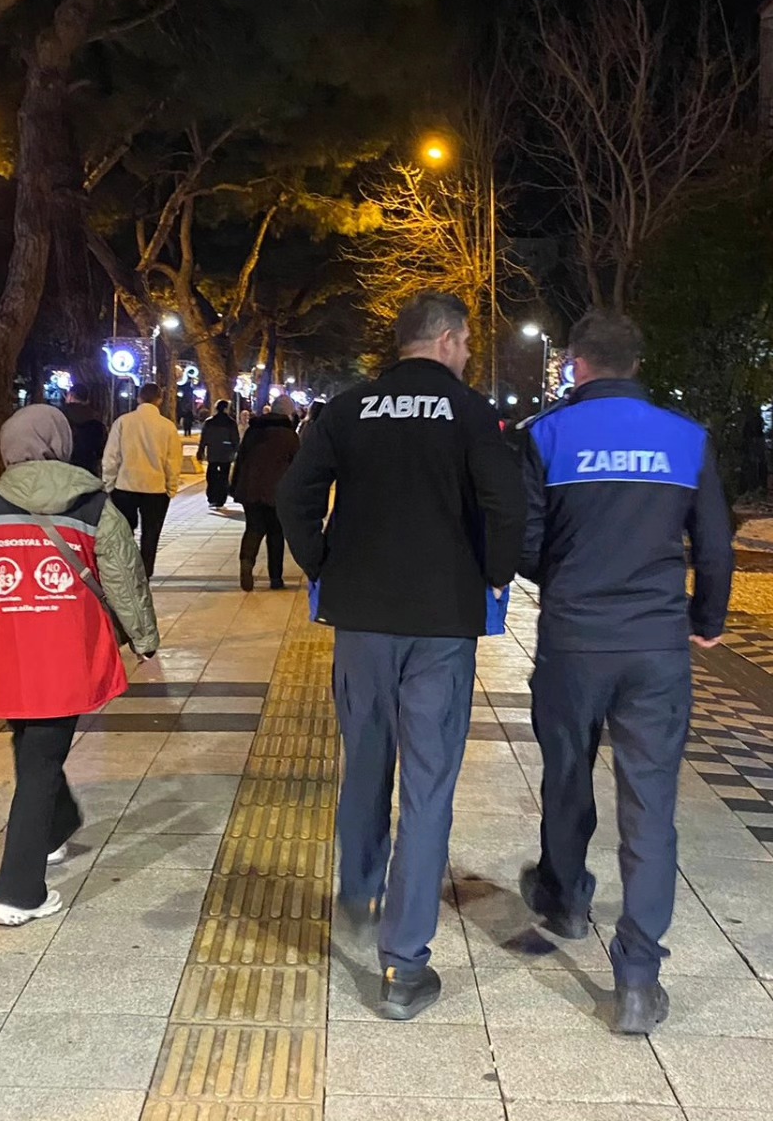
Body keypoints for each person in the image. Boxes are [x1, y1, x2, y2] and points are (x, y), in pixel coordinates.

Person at [278, 293, 524, 1021]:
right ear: (446, 340)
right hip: (442, 625)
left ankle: (359, 890)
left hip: (361, 621)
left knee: (365, 761)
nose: (469, 354)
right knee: (427, 787)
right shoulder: (472, 413)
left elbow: (295, 495)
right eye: (467, 342)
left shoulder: (348, 409)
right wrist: (496, 572)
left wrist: (324, 564)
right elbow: (506, 504)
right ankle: (404, 965)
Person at [515, 310, 732, 1036]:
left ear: (576, 364)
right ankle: (638, 977)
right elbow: (715, 547)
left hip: (575, 639)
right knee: (651, 804)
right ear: (637, 364)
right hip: (656, 645)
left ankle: (566, 898)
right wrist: (706, 621)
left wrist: (567, 580)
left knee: (567, 773)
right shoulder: (686, 437)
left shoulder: (546, 435)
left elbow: (525, 541)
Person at [0, 405, 159, 925]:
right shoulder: (94, 506)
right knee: (40, 762)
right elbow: (124, 577)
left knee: (32, 745)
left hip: (4, 650)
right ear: (60, 443)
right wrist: (144, 638)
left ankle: (57, 826)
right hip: (65, 653)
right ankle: (20, 891)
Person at [102, 382, 183, 578]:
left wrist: (109, 484)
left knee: (124, 532)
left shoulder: (123, 422)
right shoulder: (167, 427)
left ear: (139, 398)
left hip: (125, 486)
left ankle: (127, 569)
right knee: (151, 533)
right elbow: (173, 461)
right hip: (155, 488)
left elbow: (112, 457)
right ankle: (146, 571)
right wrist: (171, 487)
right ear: (159, 400)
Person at [231, 395, 301, 591]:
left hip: (251, 488)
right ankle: (275, 578)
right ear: (288, 413)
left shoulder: (254, 430)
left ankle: (246, 561)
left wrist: (236, 485)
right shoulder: (289, 435)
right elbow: (297, 466)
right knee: (276, 533)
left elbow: (241, 457)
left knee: (253, 528)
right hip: (276, 491)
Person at [197, 399, 241, 510]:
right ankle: (221, 498)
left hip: (213, 452)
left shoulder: (209, 422)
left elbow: (204, 438)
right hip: (226, 454)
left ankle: (212, 497)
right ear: (226, 408)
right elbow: (235, 439)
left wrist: (201, 451)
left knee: (211, 475)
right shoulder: (230, 423)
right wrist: (236, 451)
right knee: (223, 476)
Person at [62, 383, 107, 477]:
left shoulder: (60, 416)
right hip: (88, 469)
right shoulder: (96, 419)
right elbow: (101, 449)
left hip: (64, 468)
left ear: (70, 396)